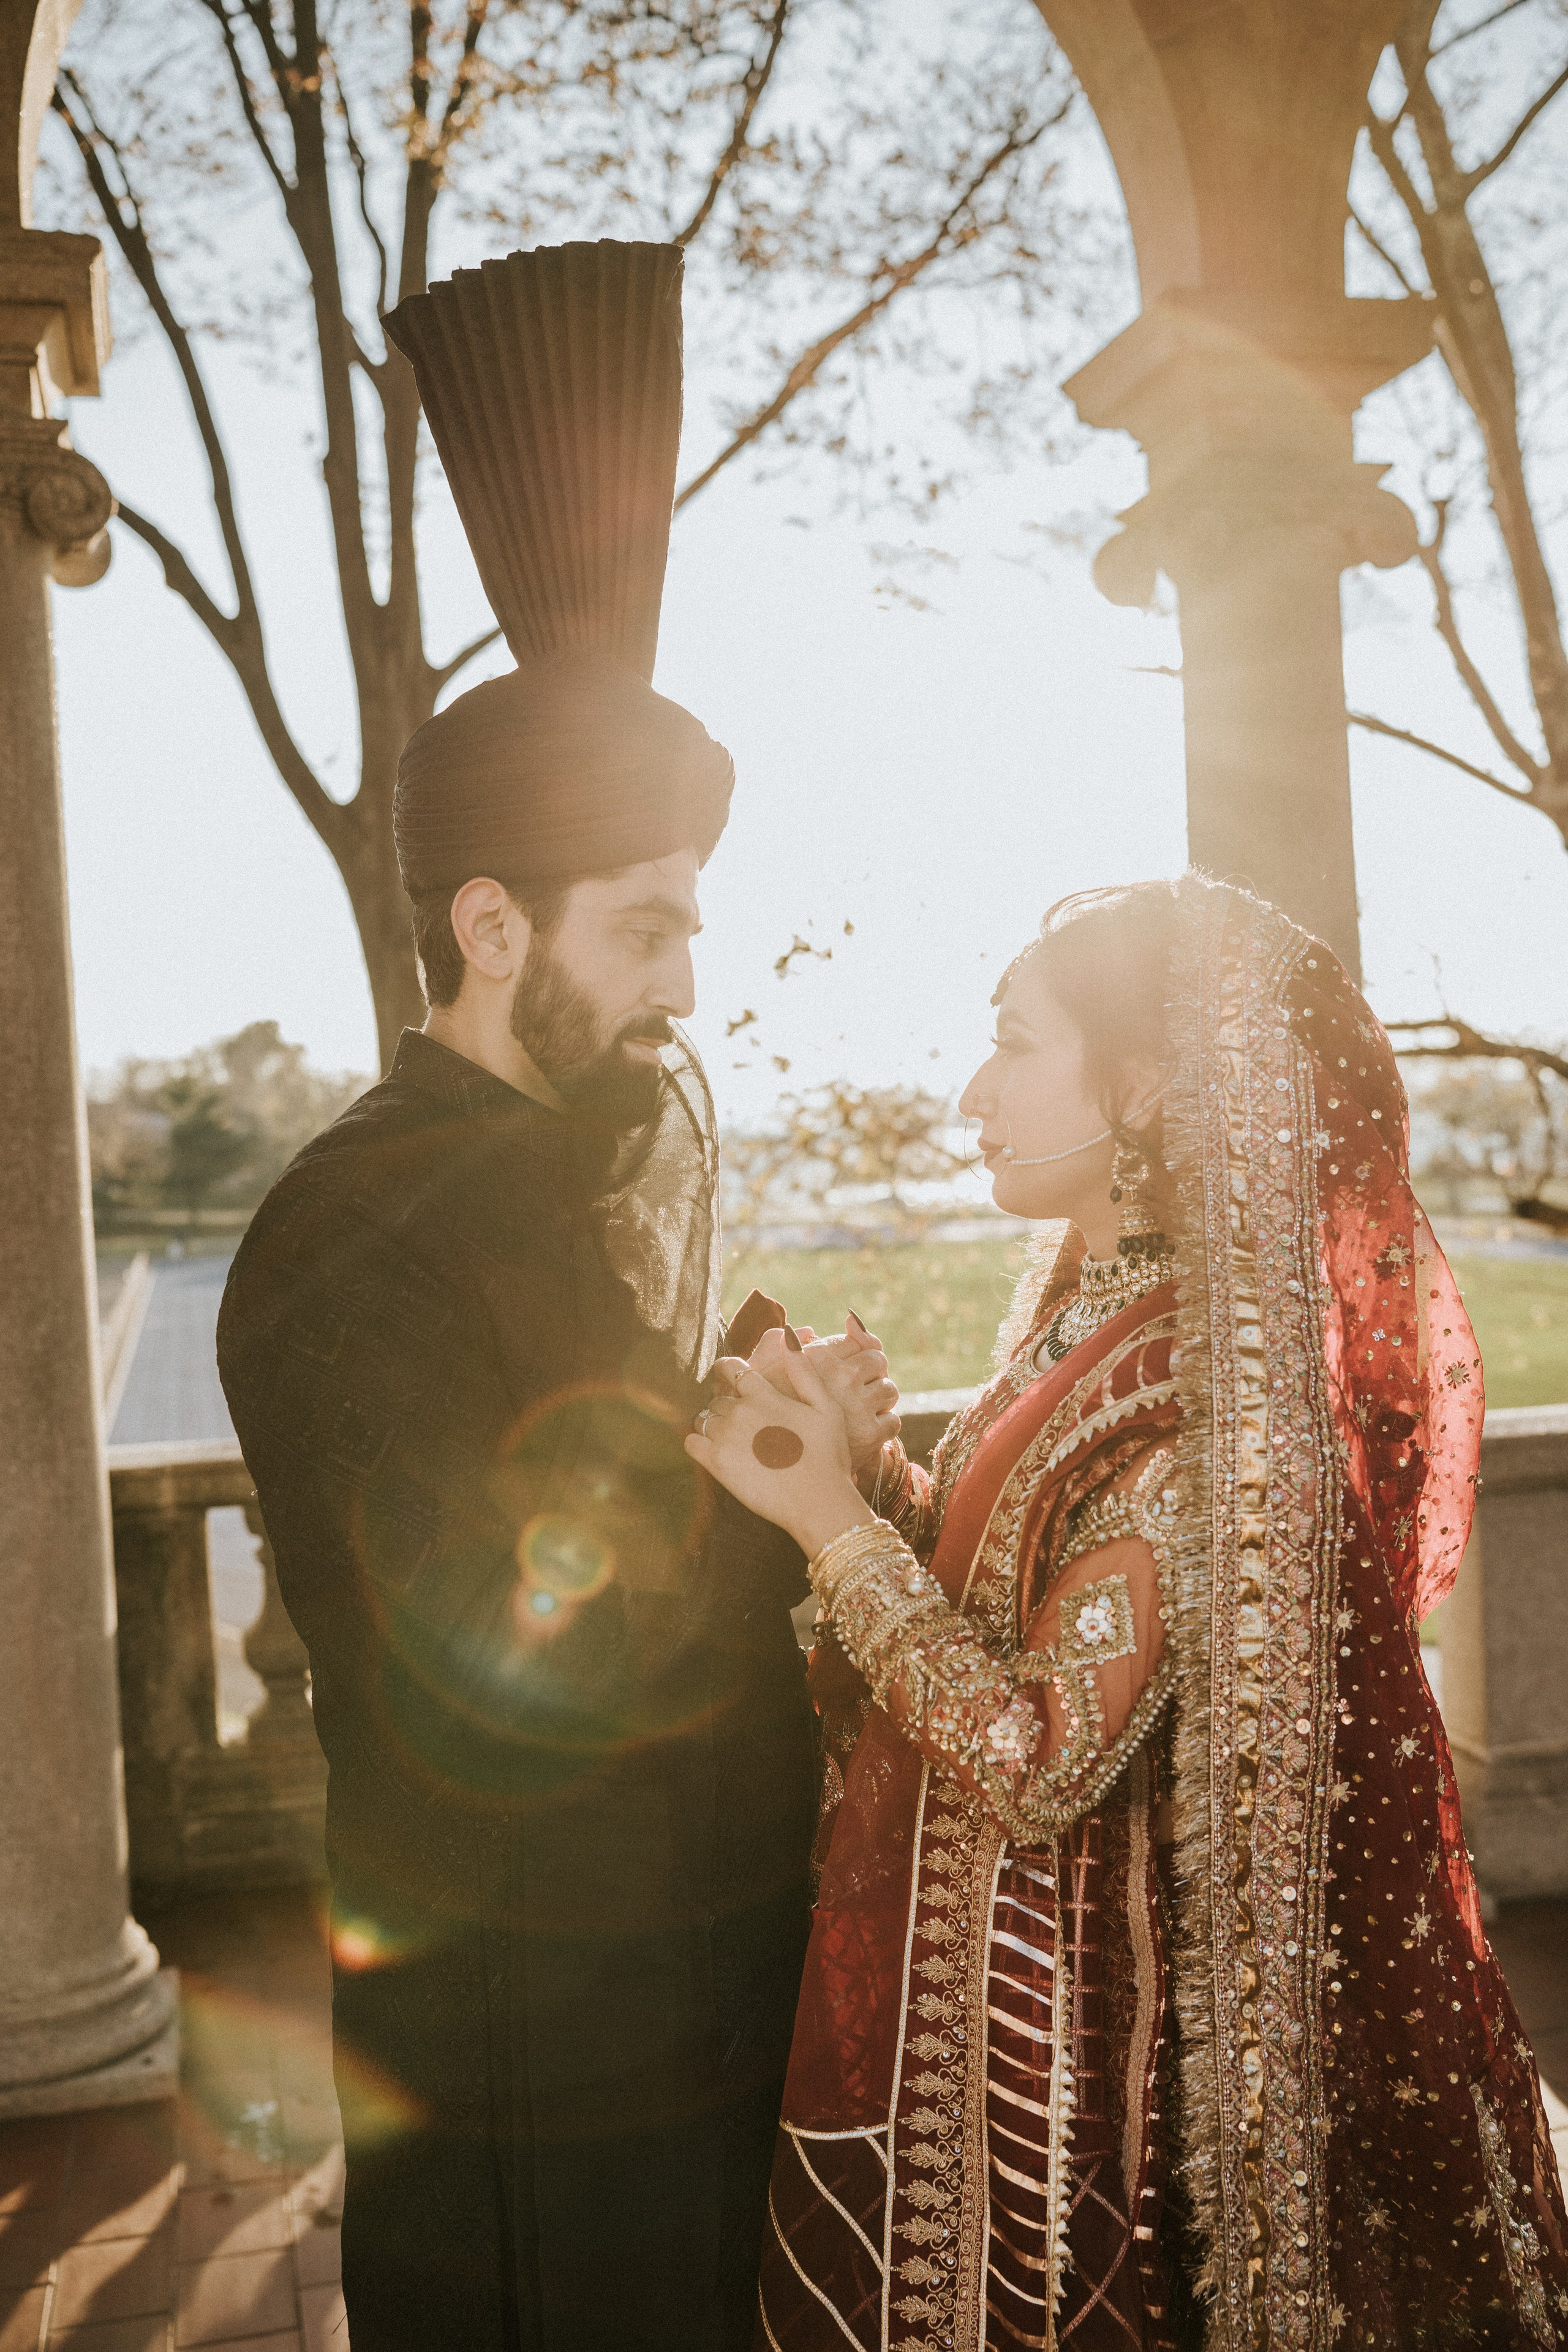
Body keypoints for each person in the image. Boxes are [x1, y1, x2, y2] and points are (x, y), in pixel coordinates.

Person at [217, 237, 899, 2352]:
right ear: (493, 926)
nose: (692, 983)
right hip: (533, 2064)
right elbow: (495, 1660)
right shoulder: (354, 1231)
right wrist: (801, 1504)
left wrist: (747, 1411)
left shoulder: (540, 1182)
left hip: (673, 2009)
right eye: (656, 928)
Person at [690, 872, 1568, 2351]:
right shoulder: (1086, 1317)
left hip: (1069, 2053)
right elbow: (1006, 1608)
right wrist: (867, 1476)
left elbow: (1046, 1751)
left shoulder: (1191, 1408)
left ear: (1147, 1085)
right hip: (949, 1979)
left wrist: (828, 1522)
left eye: (1015, 1042)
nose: (973, 1091)